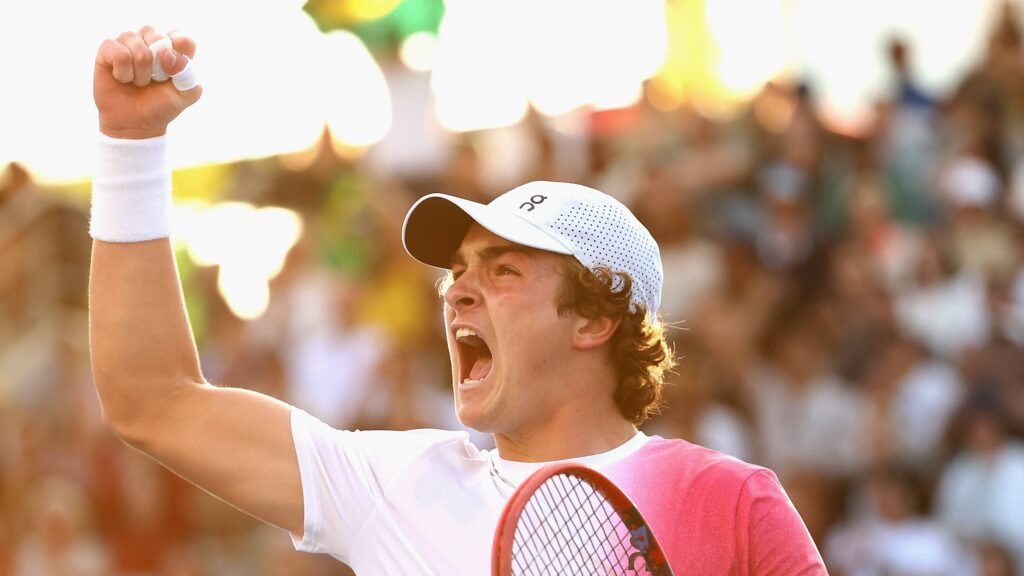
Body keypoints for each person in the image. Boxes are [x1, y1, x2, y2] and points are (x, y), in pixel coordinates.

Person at [89, 27, 827, 574]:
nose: (456, 291)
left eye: (503, 272)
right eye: (457, 273)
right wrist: (129, 145)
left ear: (599, 318)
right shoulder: (392, 485)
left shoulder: (733, 504)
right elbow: (152, 400)